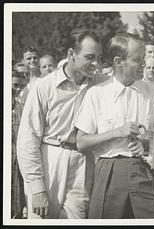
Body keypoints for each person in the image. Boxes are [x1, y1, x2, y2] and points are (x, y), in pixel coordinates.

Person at [74, 33, 154, 219]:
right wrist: (116, 132)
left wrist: (147, 144)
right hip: (109, 173)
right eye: (137, 59)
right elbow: (81, 142)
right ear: (119, 62)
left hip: (147, 173)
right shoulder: (97, 94)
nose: (144, 63)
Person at [17, 29, 104, 219]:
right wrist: (37, 188)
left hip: (84, 164)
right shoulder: (44, 86)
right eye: (89, 57)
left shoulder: (100, 83)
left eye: (99, 57)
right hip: (49, 162)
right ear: (71, 54)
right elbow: (27, 139)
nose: (95, 64)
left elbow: (132, 84)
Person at [11, 70, 27, 218]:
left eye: (20, 86)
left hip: (19, 167)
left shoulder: (23, 109)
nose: (17, 90)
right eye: (14, 85)